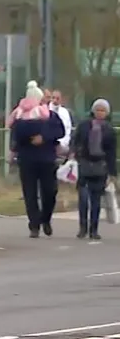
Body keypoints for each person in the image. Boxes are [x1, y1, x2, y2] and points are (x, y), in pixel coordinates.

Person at [8, 80, 66, 238]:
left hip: (47, 159)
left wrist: (44, 137)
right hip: (27, 159)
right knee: (30, 194)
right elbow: (16, 133)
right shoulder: (21, 116)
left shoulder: (51, 116)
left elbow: (60, 131)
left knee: (50, 192)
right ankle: (34, 224)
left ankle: (45, 218)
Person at [70, 98, 117, 241]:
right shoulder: (84, 125)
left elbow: (111, 153)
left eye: (103, 110)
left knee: (96, 200)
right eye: (98, 110)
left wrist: (112, 173)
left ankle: (94, 229)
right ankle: (82, 227)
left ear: (107, 113)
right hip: (84, 163)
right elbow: (75, 141)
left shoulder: (109, 130)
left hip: (100, 166)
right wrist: (74, 154)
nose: (100, 113)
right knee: (83, 198)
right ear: (93, 111)